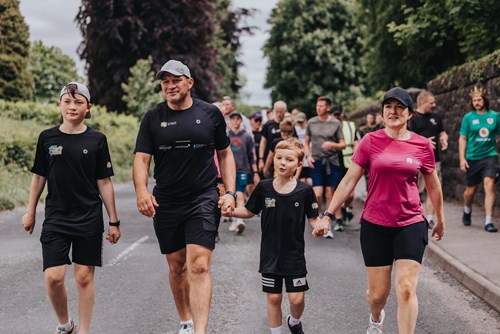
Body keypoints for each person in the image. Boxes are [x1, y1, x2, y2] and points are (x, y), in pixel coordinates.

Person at [321, 87, 445, 334]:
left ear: (410, 113)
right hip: (375, 224)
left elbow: (433, 184)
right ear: (382, 112)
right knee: (378, 295)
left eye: (399, 107)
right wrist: (327, 214)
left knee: (407, 288)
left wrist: (440, 219)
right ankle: (376, 318)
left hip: (410, 222)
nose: (393, 111)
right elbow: (348, 181)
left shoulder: (422, 145)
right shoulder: (370, 141)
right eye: (388, 107)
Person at [133, 59, 236, 334]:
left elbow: (225, 154)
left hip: (202, 197)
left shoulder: (211, 114)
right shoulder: (152, 118)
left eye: (175, 80)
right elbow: (142, 160)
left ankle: (200, 331)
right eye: (165, 81)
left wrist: (230, 191)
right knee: (177, 266)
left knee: (199, 265)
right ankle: (186, 321)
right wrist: (142, 191)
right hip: (166, 201)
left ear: (189, 82)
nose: (169, 86)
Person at [22, 82, 121, 334]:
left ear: (88, 108)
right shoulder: (47, 138)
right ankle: (65, 325)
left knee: (83, 277)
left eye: (78, 102)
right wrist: (31, 210)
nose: (72, 106)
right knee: (53, 277)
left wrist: (113, 221)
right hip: (56, 217)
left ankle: (85, 331)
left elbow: (104, 181)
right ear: (59, 105)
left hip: (88, 216)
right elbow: (38, 176)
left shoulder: (97, 139)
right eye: (67, 101)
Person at [224, 138, 328, 334]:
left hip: (294, 254)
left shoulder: (304, 191)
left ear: (298, 165)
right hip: (270, 253)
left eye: (288, 160)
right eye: (279, 158)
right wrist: (231, 212)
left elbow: (313, 218)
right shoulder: (264, 187)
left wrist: (319, 227)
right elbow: (249, 211)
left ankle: (295, 322)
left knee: (296, 299)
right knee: (274, 298)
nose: (282, 162)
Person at [459, 86, 500, 233]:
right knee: (470, 190)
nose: (476, 102)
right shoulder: (468, 118)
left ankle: (489, 221)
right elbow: (462, 138)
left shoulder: (495, 116)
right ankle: (467, 208)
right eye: (474, 100)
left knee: (489, 185)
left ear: (485, 100)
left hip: (490, 156)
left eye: (479, 99)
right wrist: (462, 158)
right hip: (472, 157)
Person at [304, 96, 345, 238]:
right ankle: (318, 218)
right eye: (317, 105)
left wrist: (332, 145)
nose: (318, 108)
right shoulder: (311, 122)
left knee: (329, 193)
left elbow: (343, 144)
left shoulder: (335, 123)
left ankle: (327, 224)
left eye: (321, 106)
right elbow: (306, 140)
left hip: (332, 161)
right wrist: (307, 155)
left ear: (327, 107)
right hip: (316, 161)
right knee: (318, 194)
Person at [410, 90, 448, 227]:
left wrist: (444, 138)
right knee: (414, 191)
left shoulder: (436, 117)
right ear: (422, 102)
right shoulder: (411, 118)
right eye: (431, 102)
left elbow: (442, 133)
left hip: (434, 160)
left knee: (433, 189)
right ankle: (415, 216)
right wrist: (423, 142)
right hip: (415, 161)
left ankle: (430, 218)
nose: (434, 105)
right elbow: (404, 139)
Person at [228, 111, 259, 234]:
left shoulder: (246, 136)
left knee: (240, 193)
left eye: (238, 119)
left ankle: (239, 220)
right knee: (231, 194)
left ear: (241, 121)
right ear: (230, 121)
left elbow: (252, 155)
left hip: (242, 169)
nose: (235, 121)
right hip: (229, 170)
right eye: (233, 119)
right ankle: (234, 219)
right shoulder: (225, 135)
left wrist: (255, 171)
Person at [333, 109, 362, 230]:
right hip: (334, 162)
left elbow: (357, 141)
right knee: (337, 191)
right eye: (333, 115)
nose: (335, 117)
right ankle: (338, 220)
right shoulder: (330, 127)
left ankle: (344, 208)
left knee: (351, 195)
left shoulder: (350, 126)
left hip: (349, 162)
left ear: (342, 115)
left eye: (337, 114)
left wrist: (356, 154)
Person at [259, 101, 287, 175]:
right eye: (277, 111)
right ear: (274, 111)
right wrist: (261, 159)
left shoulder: (289, 125)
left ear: (285, 111)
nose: (279, 114)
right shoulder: (268, 124)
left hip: (284, 160)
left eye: (281, 112)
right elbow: (263, 142)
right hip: (269, 158)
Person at [247, 111, 263, 196]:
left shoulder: (263, 134)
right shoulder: (247, 134)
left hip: (260, 164)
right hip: (250, 164)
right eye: (256, 120)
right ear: (250, 120)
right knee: (250, 186)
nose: (258, 122)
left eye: (260, 120)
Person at [294, 111, 312, 185]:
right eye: (299, 122)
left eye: (302, 122)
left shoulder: (309, 128)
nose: (300, 124)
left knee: (310, 181)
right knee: (302, 180)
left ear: (305, 120)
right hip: (300, 155)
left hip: (309, 155)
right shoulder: (295, 129)